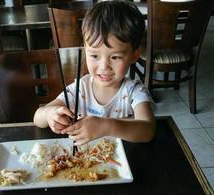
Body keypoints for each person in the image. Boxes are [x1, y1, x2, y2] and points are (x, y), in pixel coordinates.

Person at [34, 0, 155, 145]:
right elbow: (37, 117)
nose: (104, 67)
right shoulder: (80, 88)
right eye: (94, 56)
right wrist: (50, 115)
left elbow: (148, 130)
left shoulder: (134, 91)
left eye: (115, 57)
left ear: (134, 55)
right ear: (85, 52)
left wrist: (106, 126)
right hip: (86, 161)